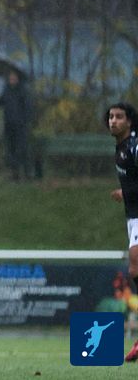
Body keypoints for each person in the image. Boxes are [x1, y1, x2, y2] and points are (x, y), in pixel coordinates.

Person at [104, 102, 138, 362]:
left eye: (118, 117)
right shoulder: (121, 147)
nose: (113, 121)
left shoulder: (135, 146)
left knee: (135, 267)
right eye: (111, 117)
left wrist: (125, 192)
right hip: (133, 217)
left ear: (129, 121)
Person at [1, 71, 32, 180]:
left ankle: (27, 173)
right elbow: (1, 102)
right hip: (9, 125)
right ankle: (15, 174)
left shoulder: (23, 91)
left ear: (18, 79)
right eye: (11, 78)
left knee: (22, 149)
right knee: (11, 150)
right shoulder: (6, 90)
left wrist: (24, 121)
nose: (12, 80)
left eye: (14, 78)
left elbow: (28, 108)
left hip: (20, 125)